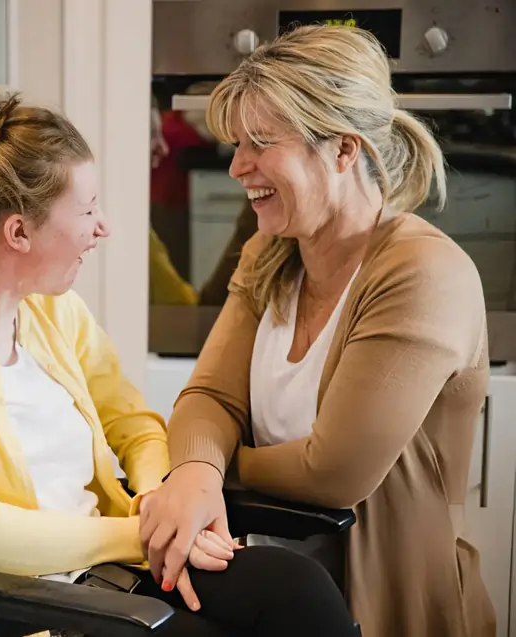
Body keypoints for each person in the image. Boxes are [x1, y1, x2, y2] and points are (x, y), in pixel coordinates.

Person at [0, 67, 359, 637]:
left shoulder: (51, 310)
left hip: (110, 576)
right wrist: (140, 533)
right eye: (87, 208)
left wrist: (158, 500)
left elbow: (136, 426)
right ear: (19, 233)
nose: (103, 228)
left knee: (296, 586)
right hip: (11, 607)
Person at [138, 25, 495, 637]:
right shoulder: (271, 253)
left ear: (343, 150)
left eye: (261, 143)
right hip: (269, 596)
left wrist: (209, 471)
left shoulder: (422, 273)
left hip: (383, 605)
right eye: (236, 143)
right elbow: (208, 398)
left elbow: (333, 472)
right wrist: (195, 475)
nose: (237, 167)